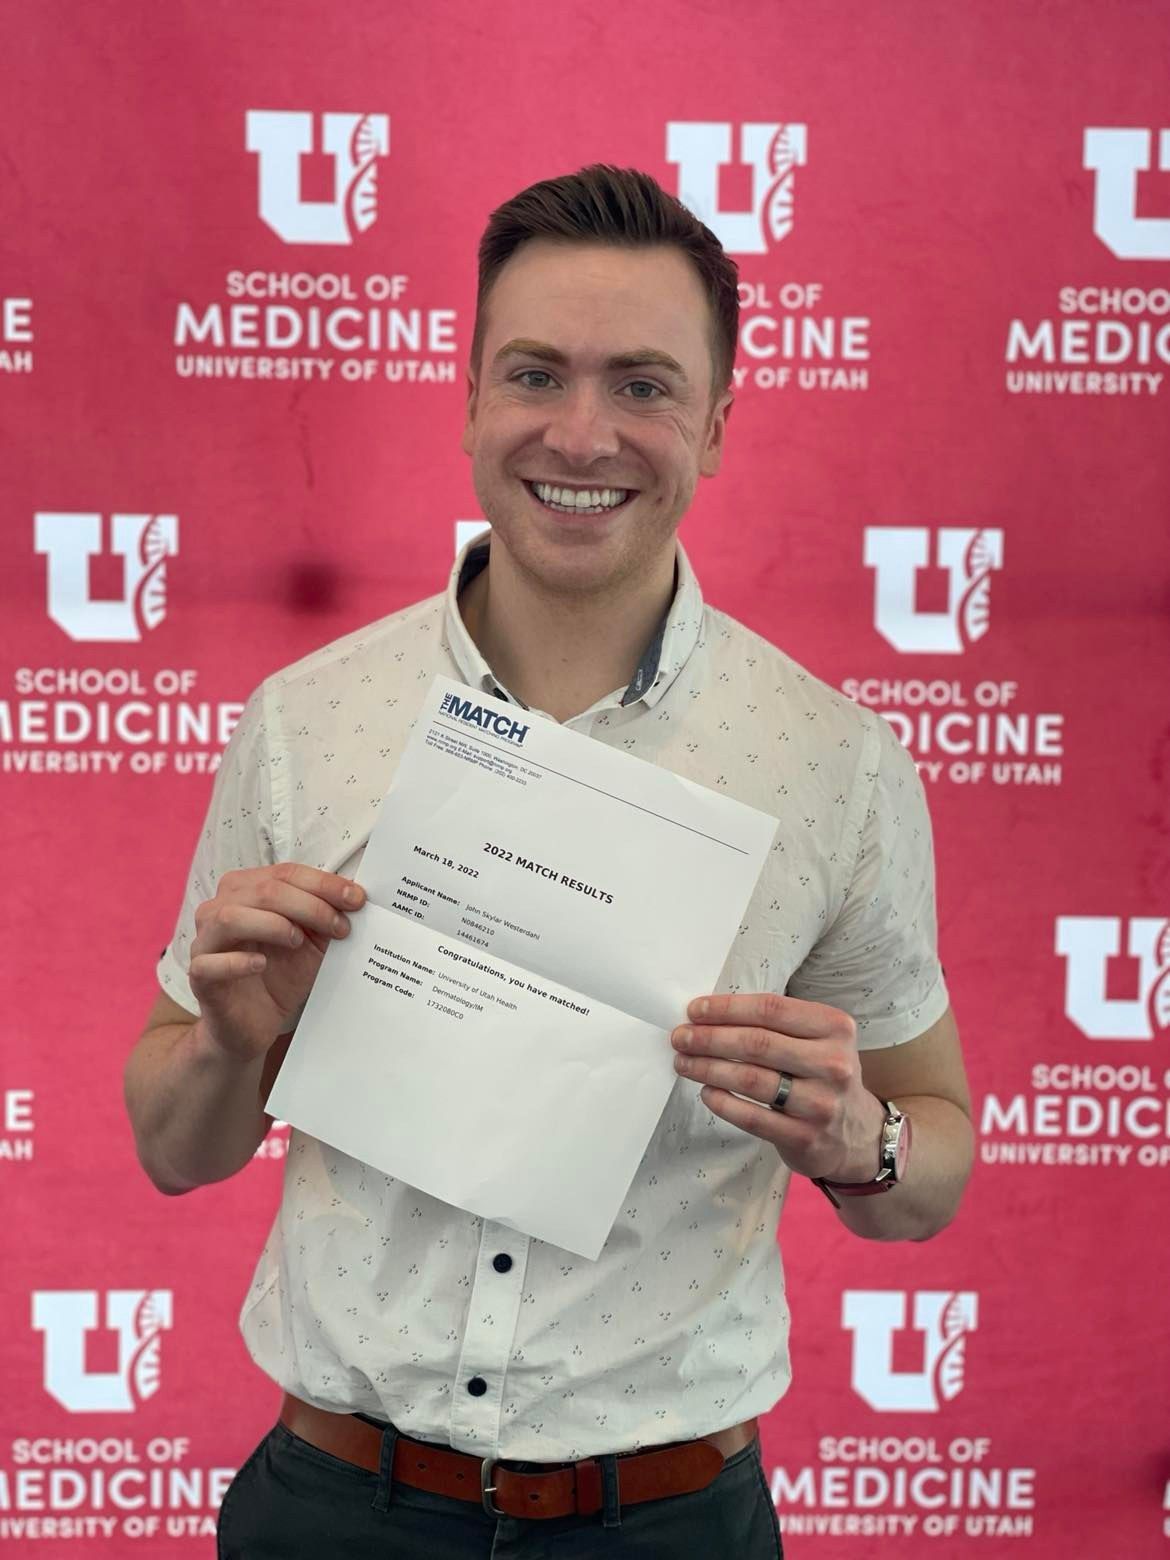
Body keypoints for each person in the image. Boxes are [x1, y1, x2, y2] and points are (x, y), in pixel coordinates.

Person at [124, 164, 973, 1559]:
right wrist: (230, 1042)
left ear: (717, 419)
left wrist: (858, 1140)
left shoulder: (834, 763)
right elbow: (174, 1152)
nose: (583, 434)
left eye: (643, 385)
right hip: (335, 1510)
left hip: (670, 1523)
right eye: (535, 375)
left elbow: (931, 1174)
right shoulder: (307, 720)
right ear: (469, 398)